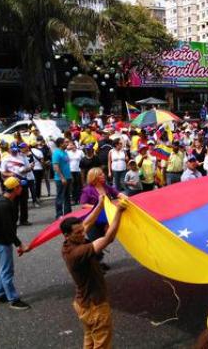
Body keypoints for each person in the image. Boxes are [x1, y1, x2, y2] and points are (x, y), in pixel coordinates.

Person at [60, 197, 128, 349]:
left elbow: (86, 223)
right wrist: (119, 212)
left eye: (81, 231)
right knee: (102, 343)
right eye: (78, 233)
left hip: (83, 304)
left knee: (90, 338)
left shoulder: (70, 243)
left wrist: (100, 205)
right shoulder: (77, 253)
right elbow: (108, 238)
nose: (82, 234)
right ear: (67, 235)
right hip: (94, 306)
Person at [0, 177, 30, 310]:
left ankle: (0, 294)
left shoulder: (5, 200)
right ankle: (13, 299)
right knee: (7, 270)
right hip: (2, 241)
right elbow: (8, 228)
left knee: (3, 268)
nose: (22, 188)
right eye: (20, 186)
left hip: (0, 239)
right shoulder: (4, 205)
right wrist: (19, 244)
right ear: (15, 189)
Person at [0, 143, 32, 226]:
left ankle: (24, 220)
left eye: (15, 150)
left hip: (23, 180)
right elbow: (3, 172)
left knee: (24, 202)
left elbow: (28, 168)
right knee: (13, 203)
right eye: (12, 150)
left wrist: (27, 169)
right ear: (9, 149)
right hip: (12, 182)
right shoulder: (5, 159)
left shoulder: (22, 157)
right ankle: (13, 221)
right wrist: (11, 175)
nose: (14, 152)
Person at [52, 137, 72, 219]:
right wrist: (62, 177)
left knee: (67, 196)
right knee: (60, 197)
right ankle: (59, 214)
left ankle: (68, 213)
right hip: (61, 179)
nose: (67, 144)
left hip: (68, 177)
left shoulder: (65, 152)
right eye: (65, 142)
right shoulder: (56, 153)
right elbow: (56, 167)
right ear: (61, 144)